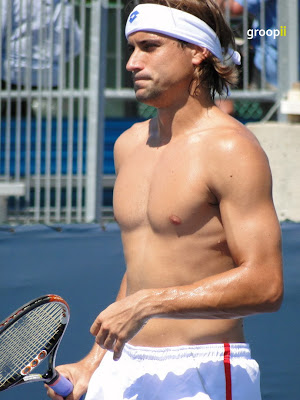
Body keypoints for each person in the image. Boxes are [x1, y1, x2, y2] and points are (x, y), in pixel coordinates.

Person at [46, 1, 283, 399]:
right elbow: (145, 269)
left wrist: (149, 303)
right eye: (131, 48)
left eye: (149, 46)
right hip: (123, 367)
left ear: (197, 52)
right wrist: (93, 361)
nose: (132, 63)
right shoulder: (129, 144)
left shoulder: (231, 148)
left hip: (203, 369)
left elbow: (266, 284)